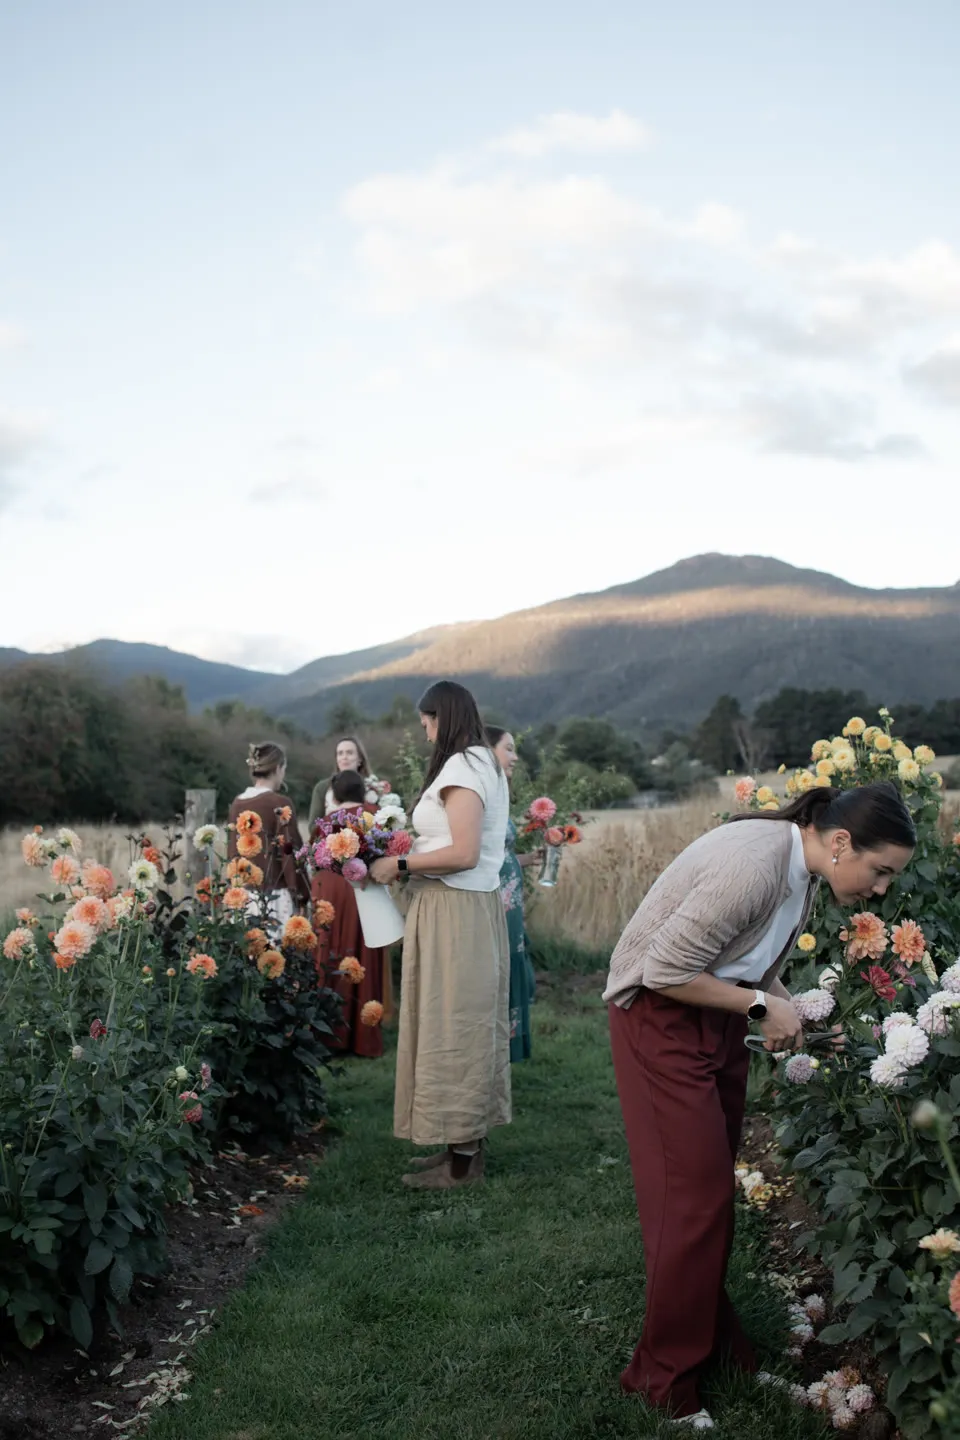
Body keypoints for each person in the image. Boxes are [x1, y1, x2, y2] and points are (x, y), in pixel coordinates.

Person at [603, 781, 916, 1430]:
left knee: (706, 1199)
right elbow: (663, 971)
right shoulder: (752, 863)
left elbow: (749, 961)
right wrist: (758, 1007)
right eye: (880, 871)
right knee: (690, 1204)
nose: (881, 889)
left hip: (711, 1018)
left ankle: (716, 1351)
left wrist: (792, 1009)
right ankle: (663, 1384)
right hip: (660, 1019)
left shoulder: (802, 872)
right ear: (841, 842)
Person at [369, 680, 510, 1190]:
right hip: (454, 906)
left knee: (457, 1026)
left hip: (457, 909)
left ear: (442, 717)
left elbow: (464, 852)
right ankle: (458, 1147)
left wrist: (399, 863)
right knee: (449, 1023)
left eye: (426, 722)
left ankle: (464, 1162)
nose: (425, 733)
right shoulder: (476, 763)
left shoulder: (466, 768)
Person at [311, 769, 390, 1059]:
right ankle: (363, 1036)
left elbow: (315, 856)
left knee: (330, 950)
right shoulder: (374, 814)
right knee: (363, 953)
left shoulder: (327, 821)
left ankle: (328, 1033)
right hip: (363, 887)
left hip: (330, 888)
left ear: (334, 794)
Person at [485, 726, 542, 1062]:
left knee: (513, 961)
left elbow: (500, 855)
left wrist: (527, 859)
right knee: (498, 965)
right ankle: (492, 1046)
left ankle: (508, 1046)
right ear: (487, 751)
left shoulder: (499, 792)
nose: (515, 756)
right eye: (508, 748)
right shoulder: (479, 796)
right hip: (492, 896)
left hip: (510, 895)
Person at [227, 741, 311, 937]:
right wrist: (302, 895)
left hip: (243, 897)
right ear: (278, 768)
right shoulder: (280, 803)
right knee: (275, 952)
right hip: (275, 899)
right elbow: (291, 853)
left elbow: (232, 852)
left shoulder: (237, 804)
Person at [308, 735, 385, 825]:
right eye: (340, 753)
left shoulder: (374, 787)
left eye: (349, 753)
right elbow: (313, 826)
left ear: (360, 759)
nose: (344, 757)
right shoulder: (322, 787)